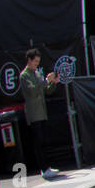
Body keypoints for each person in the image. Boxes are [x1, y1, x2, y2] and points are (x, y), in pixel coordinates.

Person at [18, 48, 62, 179]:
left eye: (38, 61)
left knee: (44, 142)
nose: (37, 63)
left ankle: (46, 167)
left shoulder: (37, 73)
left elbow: (46, 91)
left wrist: (53, 83)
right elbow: (32, 91)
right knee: (38, 142)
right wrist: (45, 80)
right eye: (35, 61)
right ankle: (43, 169)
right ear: (29, 60)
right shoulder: (24, 75)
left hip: (42, 112)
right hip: (34, 114)